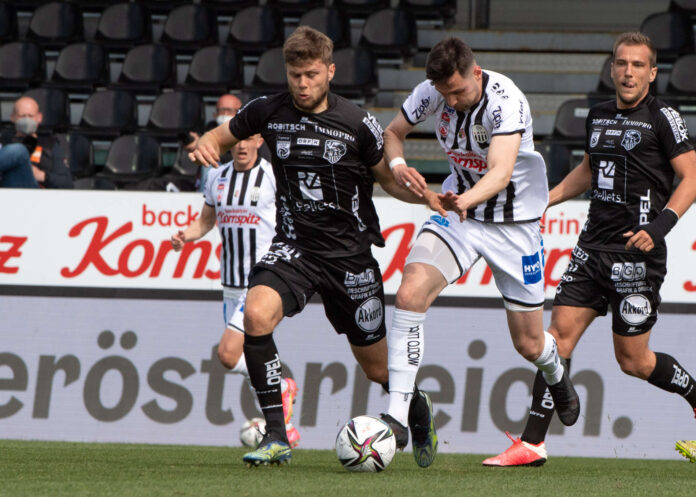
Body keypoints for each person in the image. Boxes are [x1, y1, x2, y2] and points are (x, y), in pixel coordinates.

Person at [189, 26, 446, 467]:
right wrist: (208, 145)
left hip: (350, 258)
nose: (302, 84)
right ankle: (276, 435)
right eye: (295, 75)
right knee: (255, 314)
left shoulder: (356, 122)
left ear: (329, 71)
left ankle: (418, 413)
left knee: (379, 371)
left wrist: (426, 197)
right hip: (295, 248)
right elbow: (219, 135)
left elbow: (386, 181)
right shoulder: (268, 111)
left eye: (310, 74)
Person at [484, 32, 696, 467]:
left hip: (638, 254)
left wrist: (659, 228)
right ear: (612, 68)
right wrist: (545, 199)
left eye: (638, 65)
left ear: (652, 73)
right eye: (621, 63)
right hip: (591, 247)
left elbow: (691, 178)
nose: (629, 72)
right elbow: (587, 169)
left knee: (633, 361)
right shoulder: (597, 115)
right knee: (556, 340)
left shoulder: (664, 117)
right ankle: (532, 443)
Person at [381, 36, 582, 463]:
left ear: (476, 72)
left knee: (529, 344)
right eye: (443, 94)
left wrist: (466, 200)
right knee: (409, 293)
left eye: (458, 92)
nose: (450, 101)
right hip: (459, 217)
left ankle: (555, 372)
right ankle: (398, 415)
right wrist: (400, 166)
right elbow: (393, 133)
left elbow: (501, 171)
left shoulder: (505, 100)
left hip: (515, 227)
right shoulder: (432, 94)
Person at [171, 133, 301, 448]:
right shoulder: (217, 176)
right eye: (236, 140)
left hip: (261, 281)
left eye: (248, 139)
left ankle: (281, 388)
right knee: (247, 359)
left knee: (228, 354)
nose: (241, 146)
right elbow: (205, 222)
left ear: (259, 141)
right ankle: (284, 426)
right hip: (229, 284)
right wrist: (185, 236)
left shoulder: (272, 176)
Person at [0, 96, 72, 189]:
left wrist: (42, 176)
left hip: (35, 195)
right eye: (22, 116)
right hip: (7, 190)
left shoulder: (50, 144)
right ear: (12, 117)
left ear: (39, 118)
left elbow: (67, 183)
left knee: (20, 150)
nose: (26, 120)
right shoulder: (4, 141)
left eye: (30, 116)